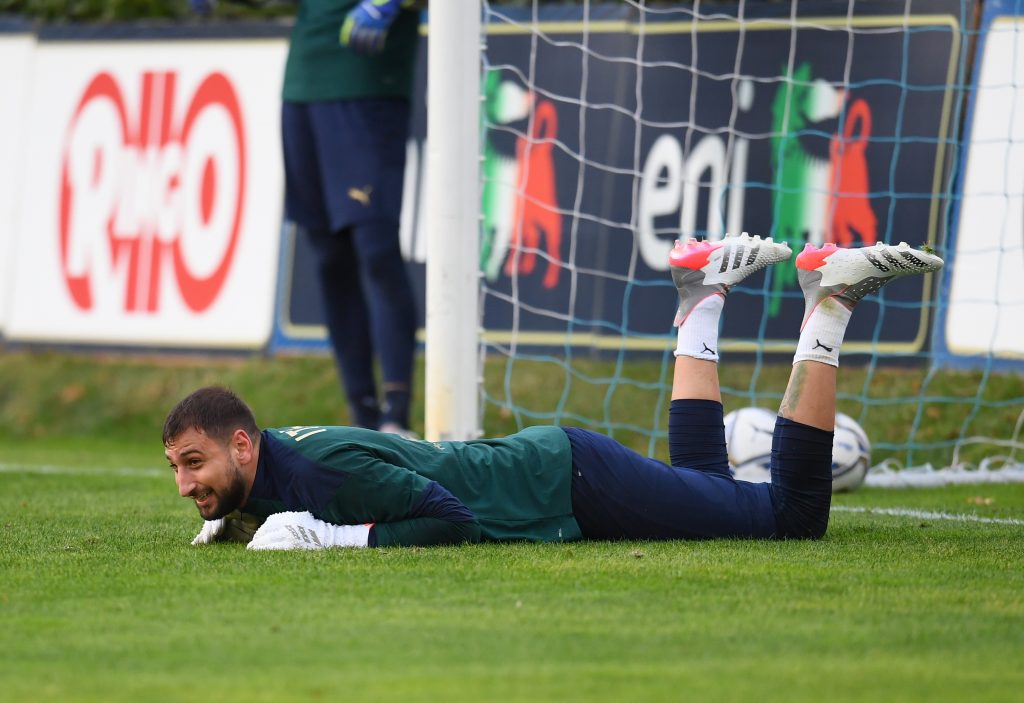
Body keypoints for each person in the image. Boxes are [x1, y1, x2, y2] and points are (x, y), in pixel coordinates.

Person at [164, 234, 943, 550]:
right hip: (556, 468)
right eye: (177, 468)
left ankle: (828, 302)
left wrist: (342, 540)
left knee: (791, 519)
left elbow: (448, 516)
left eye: (194, 462)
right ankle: (700, 297)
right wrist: (243, 522)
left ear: (242, 444)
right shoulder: (280, 466)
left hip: (567, 484)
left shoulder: (316, 474)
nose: (185, 483)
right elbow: (297, 498)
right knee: (709, 491)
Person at [281, 0, 421, 435]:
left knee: (376, 249)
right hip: (303, 80)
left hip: (367, 77)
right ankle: (362, 420)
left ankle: (396, 416)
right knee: (327, 254)